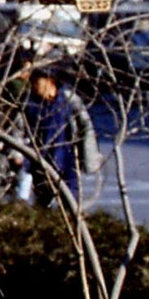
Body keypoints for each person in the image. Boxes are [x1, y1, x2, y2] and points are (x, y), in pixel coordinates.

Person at [25, 68, 98, 208]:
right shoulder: (30, 104)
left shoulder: (69, 100)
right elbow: (20, 128)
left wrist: (88, 154)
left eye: (37, 83)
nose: (34, 87)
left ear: (50, 81)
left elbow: (86, 126)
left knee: (71, 200)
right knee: (43, 201)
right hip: (42, 159)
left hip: (67, 157)